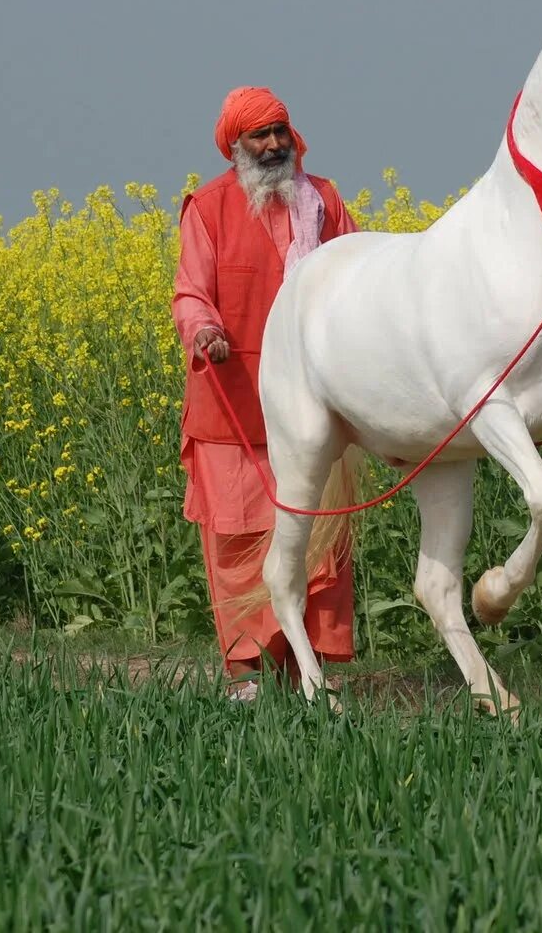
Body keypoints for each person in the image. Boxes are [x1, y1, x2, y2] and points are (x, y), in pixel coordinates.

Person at [171, 86, 359, 701]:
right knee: (238, 540)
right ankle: (246, 673)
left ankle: (306, 668)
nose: (275, 144)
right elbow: (190, 292)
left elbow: (359, 275)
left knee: (318, 537)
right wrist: (204, 330)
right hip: (235, 407)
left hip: (315, 409)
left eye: (281, 130)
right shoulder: (208, 207)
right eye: (261, 135)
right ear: (236, 145)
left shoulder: (324, 202)